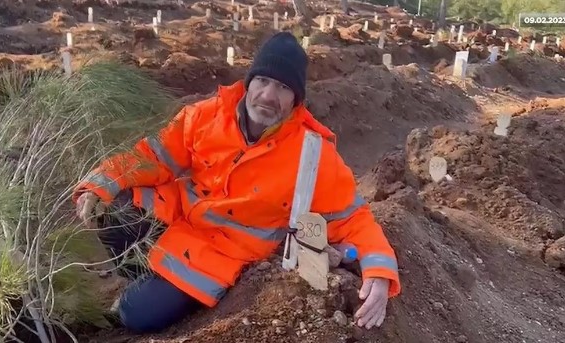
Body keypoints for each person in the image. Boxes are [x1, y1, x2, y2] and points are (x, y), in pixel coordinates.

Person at [73, 32, 401, 334]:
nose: (269, 96)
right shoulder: (205, 116)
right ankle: (147, 277)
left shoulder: (313, 154)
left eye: (284, 87)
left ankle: (154, 294)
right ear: (249, 82)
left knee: (134, 315)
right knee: (112, 207)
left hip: (218, 255)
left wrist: (379, 272)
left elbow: (352, 218)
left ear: (296, 99)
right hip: (180, 219)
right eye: (263, 80)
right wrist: (103, 182)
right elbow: (153, 158)